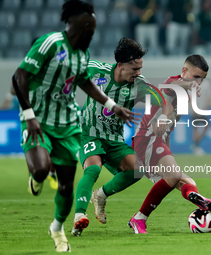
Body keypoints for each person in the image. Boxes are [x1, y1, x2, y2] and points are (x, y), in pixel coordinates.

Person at [12, 1, 137, 252]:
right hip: (39, 119)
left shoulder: (82, 55)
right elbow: (19, 76)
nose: (91, 31)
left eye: (93, 27)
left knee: (66, 187)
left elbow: (84, 83)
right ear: (74, 22)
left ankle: (57, 228)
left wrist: (113, 106)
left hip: (68, 124)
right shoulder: (50, 43)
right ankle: (40, 181)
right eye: (88, 25)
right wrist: (29, 114)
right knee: (41, 170)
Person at [71, 37, 168, 237]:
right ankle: (79, 217)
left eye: (140, 67)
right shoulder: (96, 69)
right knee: (93, 169)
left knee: (137, 170)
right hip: (89, 133)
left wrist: (162, 119)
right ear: (120, 65)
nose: (139, 73)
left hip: (114, 139)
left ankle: (100, 195)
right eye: (134, 68)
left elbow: (163, 102)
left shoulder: (140, 85)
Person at [129, 55, 211, 234]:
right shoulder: (174, 83)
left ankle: (200, 201)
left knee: (186, 181)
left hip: (157, 141)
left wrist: (168, 152)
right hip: (146, 138)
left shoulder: (185, 96)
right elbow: (167, 87)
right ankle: (139, 218)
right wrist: (189, 84)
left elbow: (168, 129)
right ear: (184, 71)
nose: (199, 82)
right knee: (173, 176)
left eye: (202, 79)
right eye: (196, 77)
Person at [190, 78, 211, 155]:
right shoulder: (192, 84)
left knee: (206, 127)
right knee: (195, 127)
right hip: (195, 111)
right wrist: (194, 109)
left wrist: (204, 108)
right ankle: (196, 145)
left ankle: (196, 143)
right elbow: (190, 99)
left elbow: (207, 97)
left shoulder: (206, 83)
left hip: (203, 110)